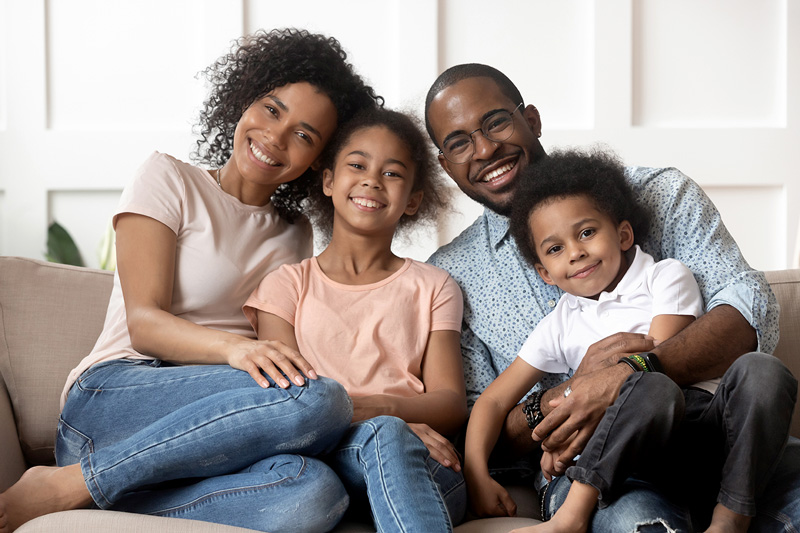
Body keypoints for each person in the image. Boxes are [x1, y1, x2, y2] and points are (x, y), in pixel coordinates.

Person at [0, 28, 383, 533]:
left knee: (314, 493)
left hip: (201, 433)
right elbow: (144, 323)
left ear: (320, 161)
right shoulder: (167, 178)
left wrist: (388, 416)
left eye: (305, 135)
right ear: (244, 99)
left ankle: (98, 493)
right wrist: (237, 351)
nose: (276, 136)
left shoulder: (295, 233)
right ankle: (71, 482)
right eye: (272, 109)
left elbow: (281, 362)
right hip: (113, 399)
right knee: (317, 398)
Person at [424, 63, 800, 531]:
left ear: (532, 121)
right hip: (599, 472)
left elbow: (748, 310)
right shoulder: (452, 275)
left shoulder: (661, 195)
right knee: (638, 521)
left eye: (496, 121)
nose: (484, 149)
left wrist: (625, 376)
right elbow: (482, 419)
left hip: (719, 436)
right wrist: (570, 394)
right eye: (458, 142)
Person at [243, 107, 468, 533]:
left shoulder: (436, 286)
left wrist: (387, 414)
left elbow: (450, 403)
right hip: (329, 460)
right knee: (383, 435)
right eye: (358, 165)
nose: (372, 181)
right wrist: (389, 422)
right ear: (329, 181)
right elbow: (288, 404)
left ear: (413, 200)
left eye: (393, 174)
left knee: (388, 437)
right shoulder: (285, 286)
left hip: (423, 464)